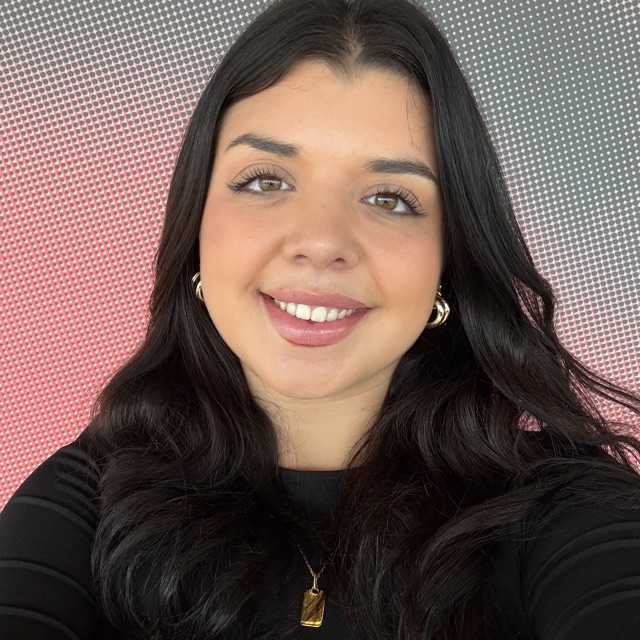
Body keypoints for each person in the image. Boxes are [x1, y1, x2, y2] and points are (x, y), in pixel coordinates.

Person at [2, 0, 640, 638]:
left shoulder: (566, 511)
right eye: (266, 181)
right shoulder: (89, 504)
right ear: (196, 226)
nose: (321, 241)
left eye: (389, 197)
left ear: (448, 259)